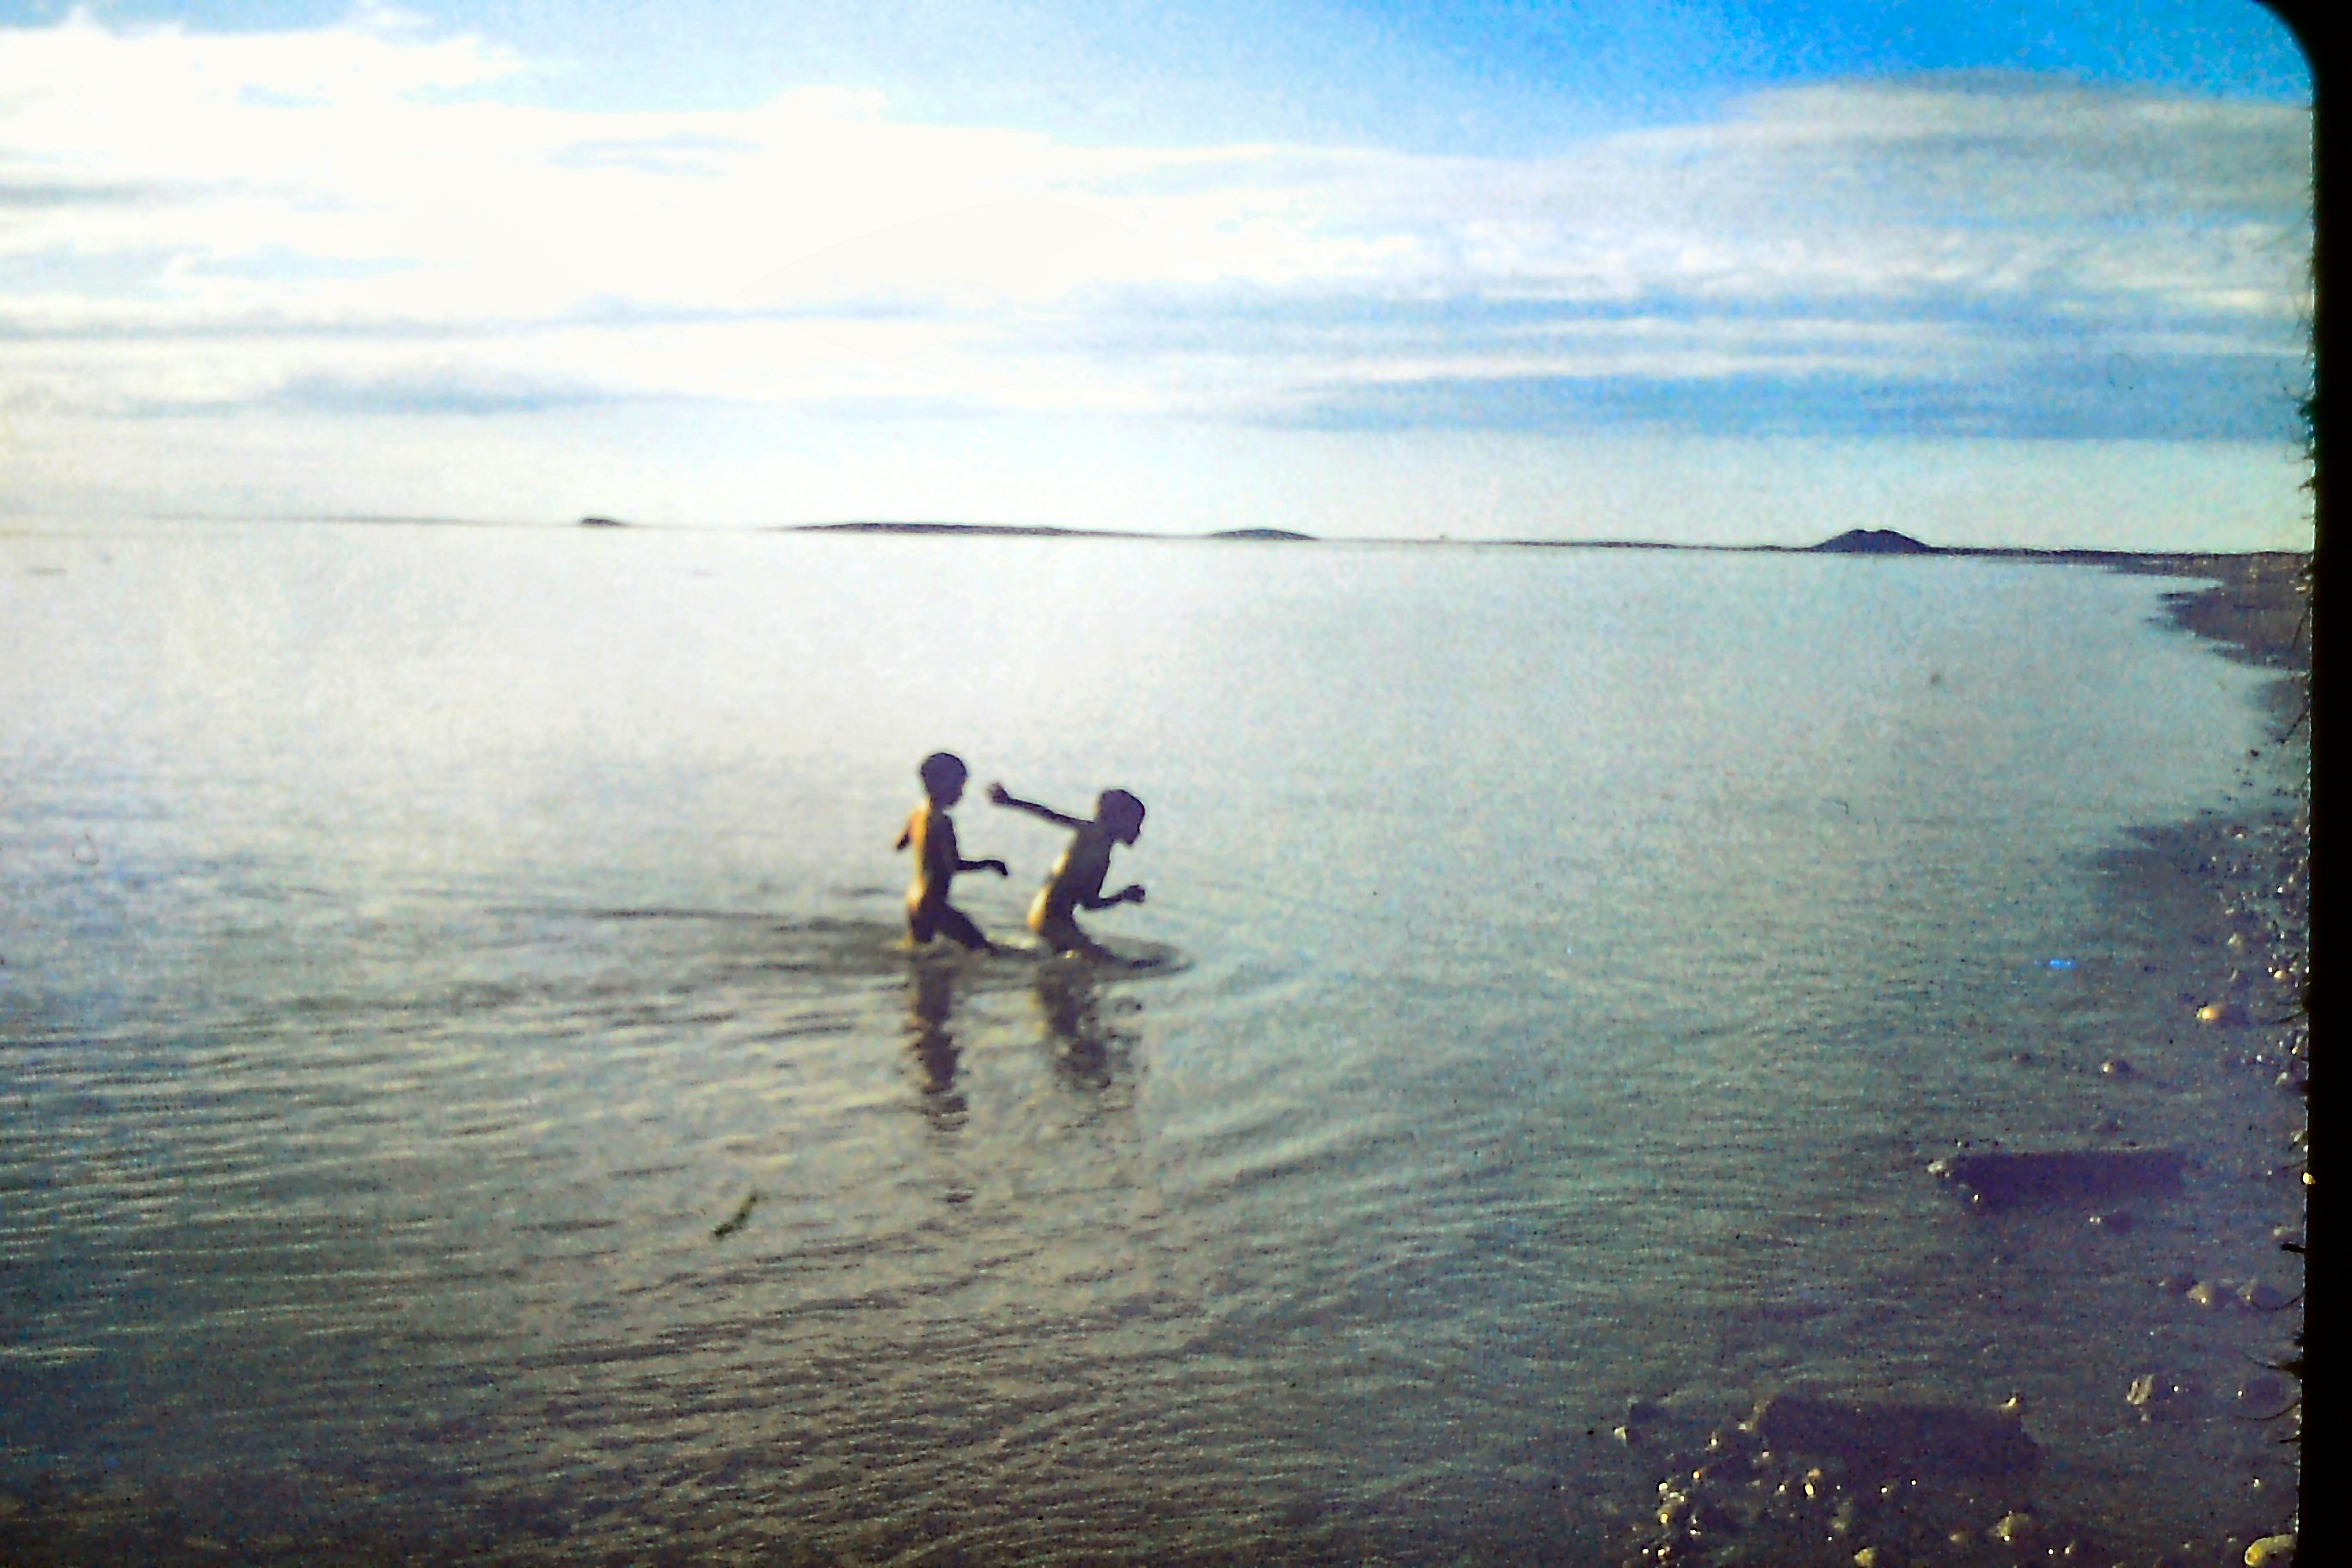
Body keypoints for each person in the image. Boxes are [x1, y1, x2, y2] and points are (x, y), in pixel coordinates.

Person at [987, 781, 1145, 959]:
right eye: (1135, 824)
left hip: (1048, 916)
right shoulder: (1093, 836)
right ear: (1116, 820)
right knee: (1106, 960)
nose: (1139, 832)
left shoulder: (1098, 847)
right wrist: (1010, 801)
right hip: (1052, 920)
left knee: (1084, 956)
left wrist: (1123, 896)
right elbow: (1049, 814)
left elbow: (1088, 903)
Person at [894, 752, 1008, 952]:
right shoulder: (943, 822)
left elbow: (899, 845)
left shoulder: (918, 812)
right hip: (933, 903)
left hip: (913, 900)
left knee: (918, 955)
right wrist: (989, 864)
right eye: (958, 786)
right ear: (937, 784)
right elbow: (953, 865)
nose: (961, 793)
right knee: (985, 950)